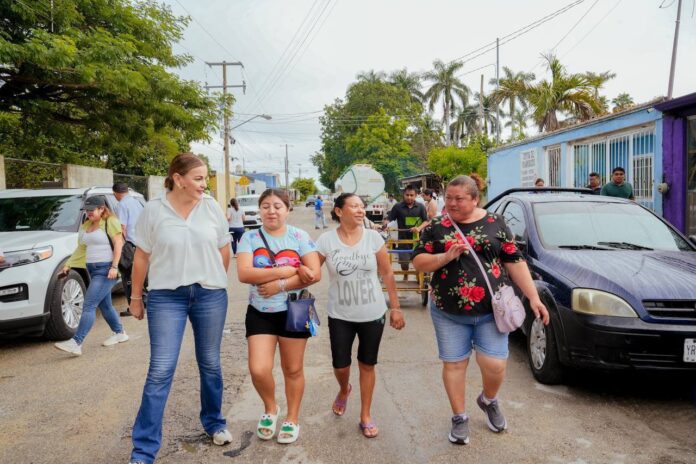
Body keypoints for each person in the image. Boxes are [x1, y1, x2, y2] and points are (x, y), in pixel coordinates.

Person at [412, 175, 550, 446]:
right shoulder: (437, 226)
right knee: (454, 364)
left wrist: (533, 298)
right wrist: (445, 256)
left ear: (475, 199)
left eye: (459, 199)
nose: (451, 203)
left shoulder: (495, 222)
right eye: (448, 198)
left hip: (491, 311)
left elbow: (514, 260)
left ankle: (488, 400)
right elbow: (418, 261)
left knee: (495, 365)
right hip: (448, 311)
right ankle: (459, 417)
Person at [127, 153, 233, 464]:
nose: (204, 184)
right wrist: (135, 297)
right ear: (178, 178)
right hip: (165, 297)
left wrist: (215, 280)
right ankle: (143, 451)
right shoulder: (153, 210)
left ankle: (214, 422)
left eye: (205, 178)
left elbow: (224, 250)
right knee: (160, 370)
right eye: (199, 178)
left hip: (209, 295)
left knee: (210, 363)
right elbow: (142, 257)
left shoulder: (211, 207)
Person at [316, 193, 404, 438]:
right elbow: (312, 272)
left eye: (362, 207)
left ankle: (365, 415)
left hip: (373, 313)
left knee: (367, 364)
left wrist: (395, 307)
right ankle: (344, 389)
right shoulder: (325, 241)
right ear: (338, 211)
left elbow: (387, 273)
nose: (360, 210)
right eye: (354, 206)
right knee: (340, 365)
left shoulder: (373, 238)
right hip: (340, 314)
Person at [237, 188, 321, 444]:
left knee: (292, 368)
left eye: (277, 206)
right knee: (259, 368)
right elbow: (244, 274)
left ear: (287, 209)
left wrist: (280, 285)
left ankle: (292, 418)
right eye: (266, 206)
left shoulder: (299, 236)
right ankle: (271, 408)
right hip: (260, 312)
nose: (271, 211)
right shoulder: (249, 238)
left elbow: (314, 274)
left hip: (294, 311)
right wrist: (287, 270)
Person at [54, 196, 128, 356]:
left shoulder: (110, 222)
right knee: (105, 305)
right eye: (86, 211)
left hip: (106, 270)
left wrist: (114, 267)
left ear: (102, 209)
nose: (88, 213)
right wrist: (68, 265)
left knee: (89, 305)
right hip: (92, 270)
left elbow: (118, 245)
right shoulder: (86, 225)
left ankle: (76, 342)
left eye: (92, 210)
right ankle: (120, 333)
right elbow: (81, 249)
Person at [382, 185, 429, 281]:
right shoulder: (397, 207)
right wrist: (386, 225)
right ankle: (405, 274)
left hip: (417, 239)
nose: (409, 197)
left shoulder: (420, 207)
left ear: (416, 195)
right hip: (403, 239)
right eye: (407, 195)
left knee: (419, 261)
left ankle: (419, 278)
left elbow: (426, 221)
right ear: (404, 195)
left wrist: (419, 228)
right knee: (404, 262)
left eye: (412, 195)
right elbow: (389, 219)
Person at [112, 182, 144, 317]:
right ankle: (144, 302)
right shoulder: (137, 202)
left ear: (115, 193)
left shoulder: (121, 205)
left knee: (128, 276)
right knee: (141, 274)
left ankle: (133, 307)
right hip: (141, 244)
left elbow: (122, 228)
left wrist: (119, 246)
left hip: (129, 245)